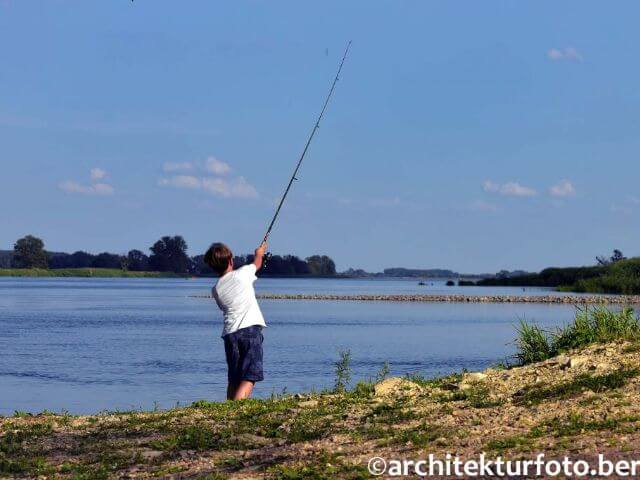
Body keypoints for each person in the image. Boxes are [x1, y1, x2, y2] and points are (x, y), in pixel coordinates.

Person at [204, 241, 267, 400]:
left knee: (234, 378)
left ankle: (228, 410)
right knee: (249, 377)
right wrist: (260, 252)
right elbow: (257, 263)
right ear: (231, 260)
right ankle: (236, 412)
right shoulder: (243, 273)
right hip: (249, 331)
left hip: (230, 335)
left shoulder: (216, 289)